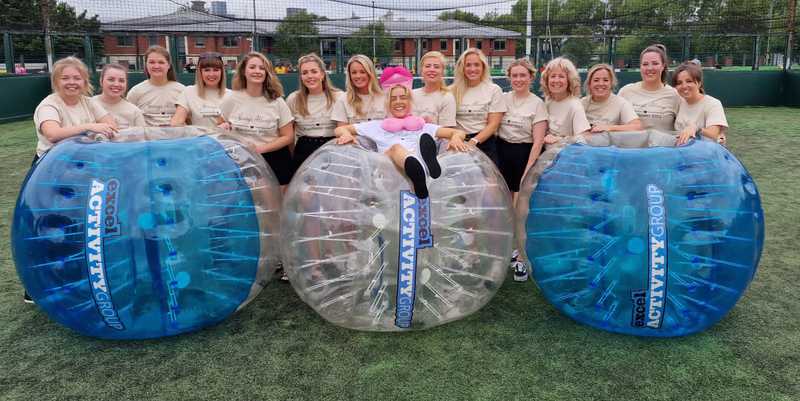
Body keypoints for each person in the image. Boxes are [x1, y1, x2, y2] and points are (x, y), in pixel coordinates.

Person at [28, 56, 118, 303]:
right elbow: (52, 133)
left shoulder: (88, 102)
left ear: (85, 81)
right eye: (65, 78)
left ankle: (80, 279)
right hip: (50, 175)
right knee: (50, 229)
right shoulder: (49, 105)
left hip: (82, 172)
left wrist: (101, 127)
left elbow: (110, 122)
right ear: (56, 81)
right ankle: (39, 286)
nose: (71, 82)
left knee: (80, 227)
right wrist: (90, 127)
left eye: (77, 78)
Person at [334, 66, 469, 199]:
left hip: (419, 182)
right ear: (388, 104)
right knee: (396, 149)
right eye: (393, 98)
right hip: (388, 177)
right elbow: (340, 129)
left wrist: (456, 138)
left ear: (409, 102)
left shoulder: (422, 127)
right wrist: (346, 134)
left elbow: (457, 133)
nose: (398, 102)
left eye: (403, 97)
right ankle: (421, 168)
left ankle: (422, 170)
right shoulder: (377, 126)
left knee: (422, 141)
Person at [497, 58, 549, 282]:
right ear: (509, 78)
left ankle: (522, 259)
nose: (518, 79)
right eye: (514, 75)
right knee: (505, 208)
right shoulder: (502, 98)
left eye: (523, 75)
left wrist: (528, 171)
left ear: (531, 77)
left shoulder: (537, 104)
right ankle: (508, 251)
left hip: (524, 156)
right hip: (502, 154)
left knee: (521, 211)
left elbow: (537, 142)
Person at [219, 52, 294, 191]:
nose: (257, 71)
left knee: (276, 202)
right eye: (252, 67)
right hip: (241, 159)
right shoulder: (231, 98)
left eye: (262, 68)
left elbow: (288, 136)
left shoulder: (277, 101)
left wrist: (260, 149)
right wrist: (223, 126)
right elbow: (220, 125)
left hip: (275, 160)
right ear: (244, 71)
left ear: (267, 73)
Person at [287, 53, 344, 172]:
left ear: (322, 74)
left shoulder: (339, 97)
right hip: (303, 151)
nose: (309, 76)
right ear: (301, 77)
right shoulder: (293, 99)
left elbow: (343, 131)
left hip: (332, 150)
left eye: (314, 71)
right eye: (304, 73)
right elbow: (289, 135)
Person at [450, 48, 506, 166]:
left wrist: (474, 141)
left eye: (476, 65)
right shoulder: (452, 91)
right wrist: (457, 139)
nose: (472, 69)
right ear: (462, 68)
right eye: (468, 65)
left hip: (485, 143)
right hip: (459, 143)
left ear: (483, 67)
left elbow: (493, 124)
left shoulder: (494, 90)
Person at [618, 44, 680, 132]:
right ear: (640, 67)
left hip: (663, 141)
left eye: (655, 63)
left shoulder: (674, 95)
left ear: (663, 66)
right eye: (645, 64)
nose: (650, 68)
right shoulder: (626, 91)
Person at [127, 45, 186, 127]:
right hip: (146, 135)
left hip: (176, 134)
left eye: (161, 62)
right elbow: (127, 118)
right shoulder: (136, 91)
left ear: (169, 65)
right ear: (146, 65)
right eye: (152, 62)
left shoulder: (182, 90)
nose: (156, 66)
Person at [672, 61, 729, 146]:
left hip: (706, 152)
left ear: (699, 83)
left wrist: (696, 129)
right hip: (681, 151)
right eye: (679, 83)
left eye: (689, 81)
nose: (684, 86)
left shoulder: (712, 104)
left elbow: (714, 134)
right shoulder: (678, 102)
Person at [170, 52, 229, 129]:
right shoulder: (189, 92)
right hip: (199, 136)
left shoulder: (231, 95)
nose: (211, 74)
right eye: (207, 70)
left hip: (223, 136)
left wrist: (228, 126)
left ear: (222, 72)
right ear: (200, 72)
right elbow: (177, 121)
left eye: (216, 70)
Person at [540, 57, 591, 146]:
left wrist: (560, 139)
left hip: (564, 153)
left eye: (561, 76)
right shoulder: (549, 100)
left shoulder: (575, 106)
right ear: (547, 80)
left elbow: (584, 137)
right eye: (553, 76)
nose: (556, 80)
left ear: (569, 80)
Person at [581, 63, 642, 133]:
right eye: (596, 80)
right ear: (589, 84)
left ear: (611, 83)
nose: (601, 83)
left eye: (605, 80)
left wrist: (609, 128)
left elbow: (637, 126)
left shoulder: (621, 103)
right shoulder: (581, 103)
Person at [331, 55, 385, 125]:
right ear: (349, 75)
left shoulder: (385, 98)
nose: (358, 76)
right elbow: (341, 129)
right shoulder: (343, 100)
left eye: (362, 72)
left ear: (370, 73)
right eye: (354, 73)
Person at [91, 63, 146, 129]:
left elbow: (142, 134)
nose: (116, 84)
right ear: (101, 81)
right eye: (111, 80)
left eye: (121, 81)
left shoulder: (135, 112)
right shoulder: (87, 104)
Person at [412, 51, 456, 127]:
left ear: (442, 72)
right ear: (421, 70)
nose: (431, 70)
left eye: (436, 67)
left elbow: (447, 130)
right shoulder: (411, 94)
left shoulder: (447, 98)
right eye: (427, 66)